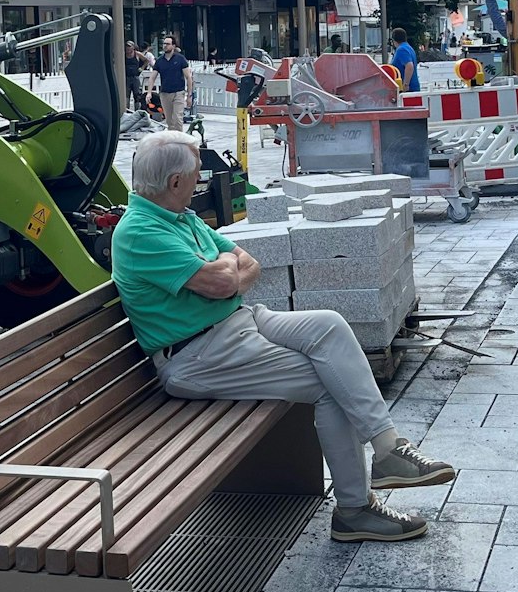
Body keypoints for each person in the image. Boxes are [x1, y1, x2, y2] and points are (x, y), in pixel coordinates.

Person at [112, 130, 455, 542]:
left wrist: (225, 270)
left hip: (238, 323)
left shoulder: (177, 217)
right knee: (330, 384)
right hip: (198, 354)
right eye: (197, 175)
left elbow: (249, 265)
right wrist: (225, 264)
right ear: (175, 183)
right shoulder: (140, 232)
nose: (200, 181)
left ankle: (387, 451)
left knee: (328, 323)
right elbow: (226, 278)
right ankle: (354, 511)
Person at [152, 35, 193, 131]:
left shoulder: (180, 59)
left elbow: (188, 77)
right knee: (169, 121)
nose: (165, 46)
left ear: (173, 46)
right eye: (164, 44)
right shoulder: (159, 61)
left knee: (177, 118)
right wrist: (149, 92)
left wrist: (189, 95)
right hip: (165, 93)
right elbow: (152, 77)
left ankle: (180, 139)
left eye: (168, 44)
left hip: (178, 92)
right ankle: (173, 140)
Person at [390, 28, 420, 92]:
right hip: (413, 87)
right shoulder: (409, 48)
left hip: (408, 89)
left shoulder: (401, 50)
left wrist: (406, 85)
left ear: (393, 40)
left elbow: (409, 66)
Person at [124, 40, 149, 110]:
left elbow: (146, 60)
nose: (128, 49)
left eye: (129, 47)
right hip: (126, 77)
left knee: (137, 95)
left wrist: (142, 68)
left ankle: (137, 110)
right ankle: (127, 110)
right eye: (127, 47)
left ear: (133, 47)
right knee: (126, 95)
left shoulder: (137, 54)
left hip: (135, 77)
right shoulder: (123, 54)